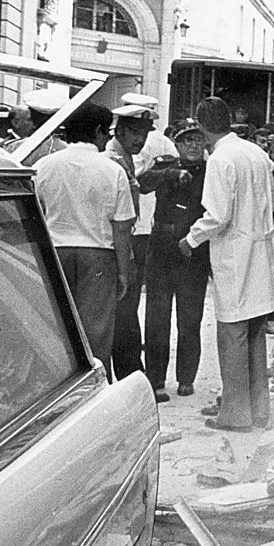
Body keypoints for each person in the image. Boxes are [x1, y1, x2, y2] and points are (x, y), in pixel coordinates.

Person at [180, 96, 274, 432]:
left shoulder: (221, 159)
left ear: (201, 126)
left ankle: (235, 414)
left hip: (235, 254)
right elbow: (270, 199)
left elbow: (217, 215)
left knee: (232, 334)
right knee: (255, 332)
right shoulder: (255, 152)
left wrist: (191, 238)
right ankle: (258, 409)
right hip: (260, 250)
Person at [35, 102, 135, 371]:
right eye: (108, 132)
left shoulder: (44, 166)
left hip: (55, 252)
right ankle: (94, 389)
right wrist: (123, 272)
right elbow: (122, 227)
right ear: (99, 131)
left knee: (55, 327)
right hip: (98, 256)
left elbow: (37, 212)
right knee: (96, 333)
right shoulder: (113, 170)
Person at [139, 119, 210, 401]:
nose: (193, 145)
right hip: (162, 249)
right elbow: (143, 183)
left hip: (193, 251)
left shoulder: (210, 170)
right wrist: (171, 173)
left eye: (198, 140)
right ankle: (156, 379)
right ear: (177, 145)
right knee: (157, 318)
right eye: (186, 140)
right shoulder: (164, 165)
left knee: (190, 319)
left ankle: (186, 379)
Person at [106, 103, 154, 380]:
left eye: (144, 134)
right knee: (123, 318)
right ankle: (129, 375)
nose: (140, 140)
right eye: (135, 133)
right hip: (117, 245)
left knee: (126, 315)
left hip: (127, 240)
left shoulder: (127, 157)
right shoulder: (113, 160)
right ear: (120, 130)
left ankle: (130, 373)